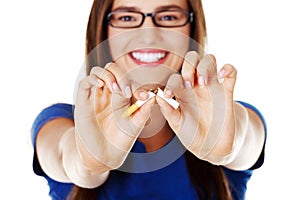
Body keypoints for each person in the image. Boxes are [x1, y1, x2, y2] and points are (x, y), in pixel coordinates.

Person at [31, 0, 267, 199]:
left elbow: (245, 138)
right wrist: (88, 161)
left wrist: (228, 142)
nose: (148, 33)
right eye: (126, 18)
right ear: (103, 30)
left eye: (168, 17)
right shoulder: (60, 122)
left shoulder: (225, 116)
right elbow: (65, 156)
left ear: (192, 29)